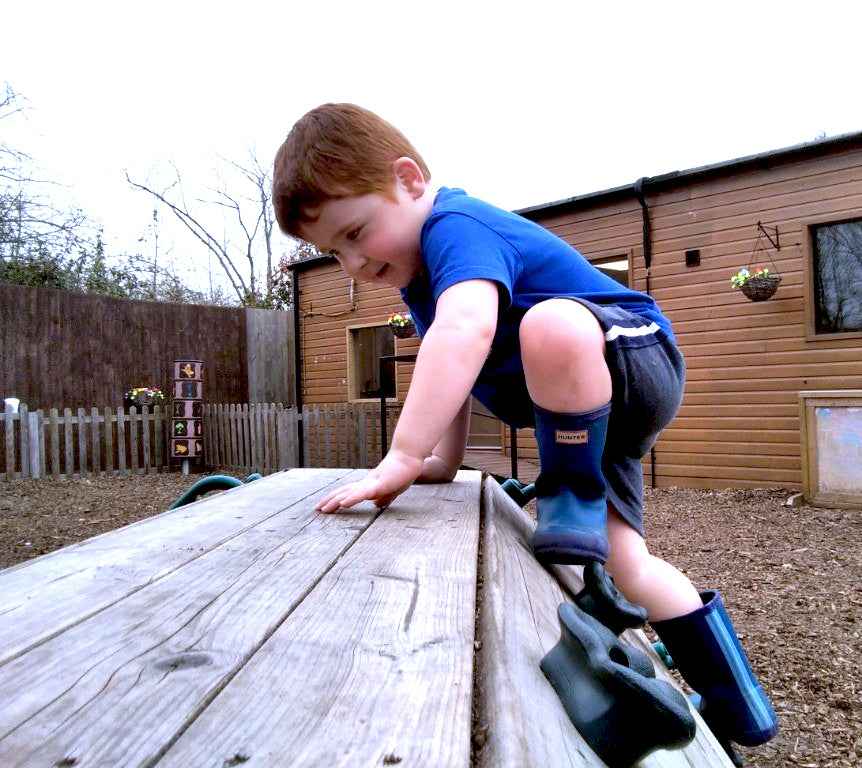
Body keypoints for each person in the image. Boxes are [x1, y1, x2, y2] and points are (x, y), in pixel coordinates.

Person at [272, 103, 777, 753]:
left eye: (356, 232)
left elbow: (465, 334)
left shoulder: (456, 226)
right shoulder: (421, 283)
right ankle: (736, 706)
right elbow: (449, 371)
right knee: (627, 562)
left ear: (409, 180)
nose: (350, 263)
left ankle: (567, 489)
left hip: (633, 354)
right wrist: (438, 463)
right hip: (590, 421)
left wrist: (400, 453)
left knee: (550, 324)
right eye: (333, 251)